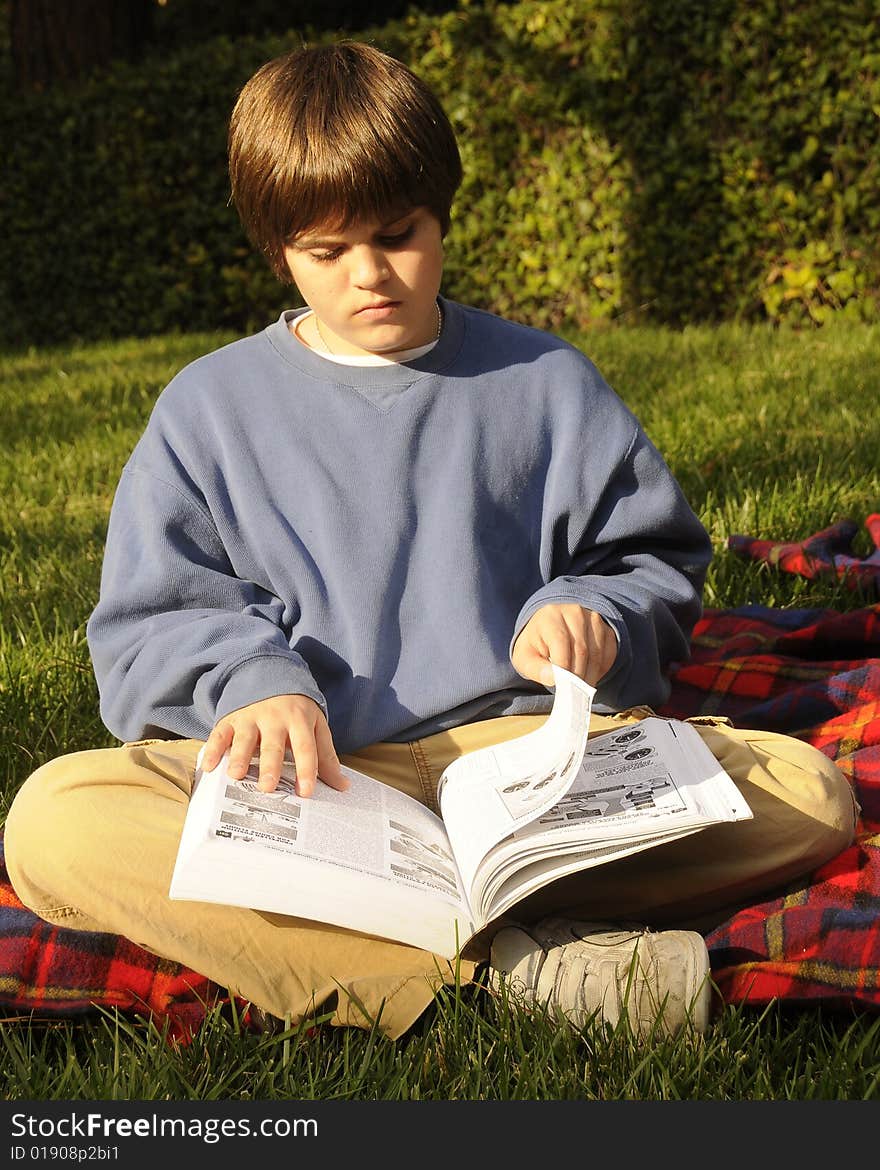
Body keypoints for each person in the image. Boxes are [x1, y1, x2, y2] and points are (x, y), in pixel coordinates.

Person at [4, 40, 857, 1042]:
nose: (370, 275)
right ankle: (504, 980)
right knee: (54, 818)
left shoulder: (545, 382)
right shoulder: (208, 409)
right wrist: (252, 683)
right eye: (327, 253)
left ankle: (391, 944)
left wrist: (589, 614)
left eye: (397, 235)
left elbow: (650, 565)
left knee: (810, 795)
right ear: (279, 249)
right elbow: (151, 628)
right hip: (309, 788)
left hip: (526, 768)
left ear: (441, 211)